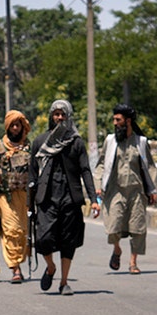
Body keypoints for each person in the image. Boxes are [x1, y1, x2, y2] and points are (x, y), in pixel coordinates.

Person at [28, 99, 99, 295]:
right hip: (46, 198)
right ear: (51, 116)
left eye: (63, 114)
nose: (59, 118)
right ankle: (51, 268)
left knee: (68, 241)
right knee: (43, 239)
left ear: (68, 117)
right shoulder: (40, 142)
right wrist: (29, 205)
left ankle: (64, 282)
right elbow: (32, 175)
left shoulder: (75, 142)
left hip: (70, 198)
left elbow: (85, 170)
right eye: (56, 114)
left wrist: (94, 199)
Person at [95, 104, 157, 274]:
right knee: (113, 226)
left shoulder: (141, 142)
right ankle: (117, 250)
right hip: (115, 190)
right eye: (114, 119)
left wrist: (153, 191)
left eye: (118, 120)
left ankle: (133, 262)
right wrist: (98, 186)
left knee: (137, 228)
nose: (115, 123)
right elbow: (101, 164)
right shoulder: (110, 141)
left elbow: (150, 167)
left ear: (128, 121)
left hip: (136, 191)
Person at [0, 110, 32, 283]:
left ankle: (18, 261)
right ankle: (15, 268)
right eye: (13, 125)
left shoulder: (28, 146)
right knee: (10, 231)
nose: (16, 128)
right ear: (8, 127)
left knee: (22, 232)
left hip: (24, 197)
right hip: (5, 198)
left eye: (18, 125)